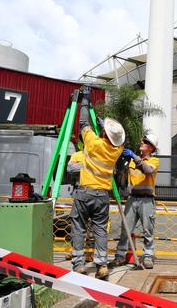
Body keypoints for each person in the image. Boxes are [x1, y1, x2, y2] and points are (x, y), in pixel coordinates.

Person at [69, 87, 125, 279]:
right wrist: (105, 129)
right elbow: (116, 142)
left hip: (85, 193)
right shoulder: (117, 151)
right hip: (102, 195)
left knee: (79, 227)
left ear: (102, 133)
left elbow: (83, 123)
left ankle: (78, 264)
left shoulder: (93, 143)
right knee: (100, 229)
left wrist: (84, 101)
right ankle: (101, 265)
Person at [110, 132, 160, 269]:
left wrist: (134, 156)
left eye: (145, 142)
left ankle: (148, 256)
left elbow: (147, 170)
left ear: (151, 148)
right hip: (132, 199)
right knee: (125, 229)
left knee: (148, 230)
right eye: (142, 141)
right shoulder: (131, 161)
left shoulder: (153, 161)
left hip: (147, 200)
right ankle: (120, 256)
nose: (142, 143)